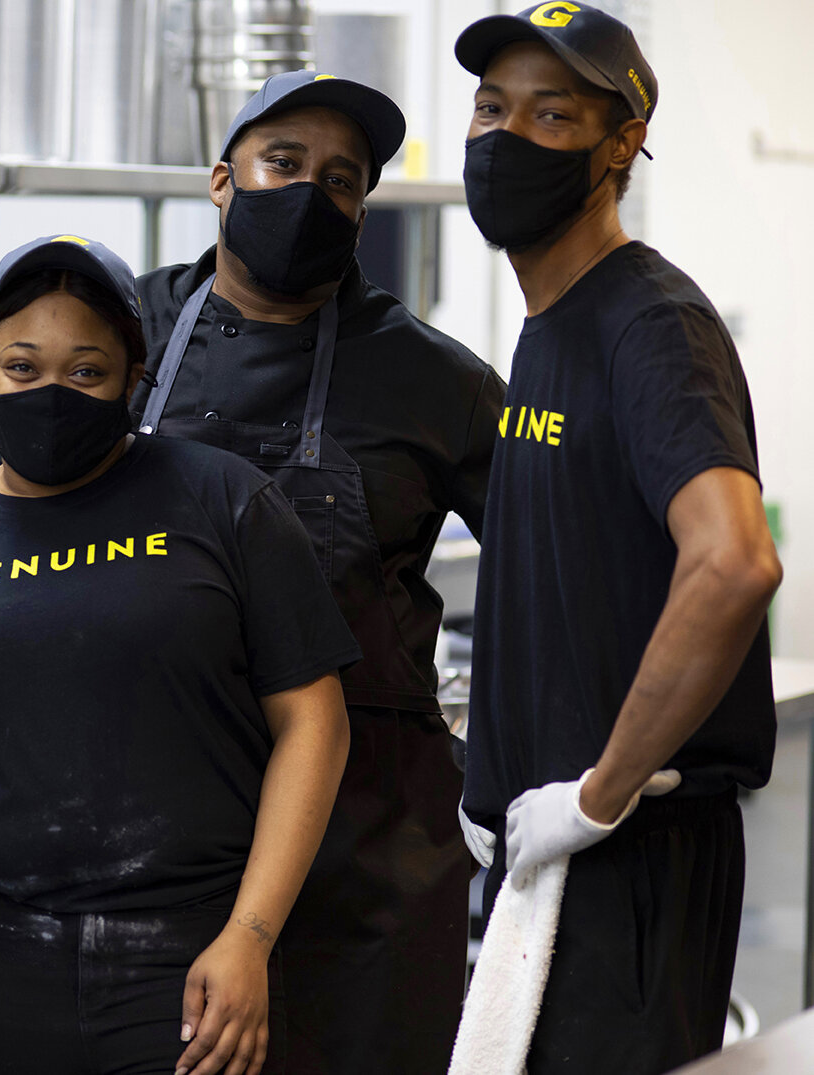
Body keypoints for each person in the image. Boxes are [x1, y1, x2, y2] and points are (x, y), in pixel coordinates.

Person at [0, 71, 505, 1074]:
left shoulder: (436, 380)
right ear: (219, 179)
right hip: (125, 867)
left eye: (339, 179)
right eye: (280, 164)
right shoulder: (111, 328)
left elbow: (547, 574)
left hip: (357, 858)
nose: (306, 194)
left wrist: (530, 773)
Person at [0, 234, 360, 1075]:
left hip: (188, 962)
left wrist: (249, 936)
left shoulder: (223, 500)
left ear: (132, 380)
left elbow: (313, 721)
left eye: (85, 371)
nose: (51, 393)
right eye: (22, 367)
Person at [453, 6, 782, 1071]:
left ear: (619, 146)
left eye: (550, 115)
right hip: (559, 854)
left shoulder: (647, 323)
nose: (504, 139)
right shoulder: (553, 325)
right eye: (490, 108)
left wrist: (593, 795)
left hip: (627, 853)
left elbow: (732, 561)